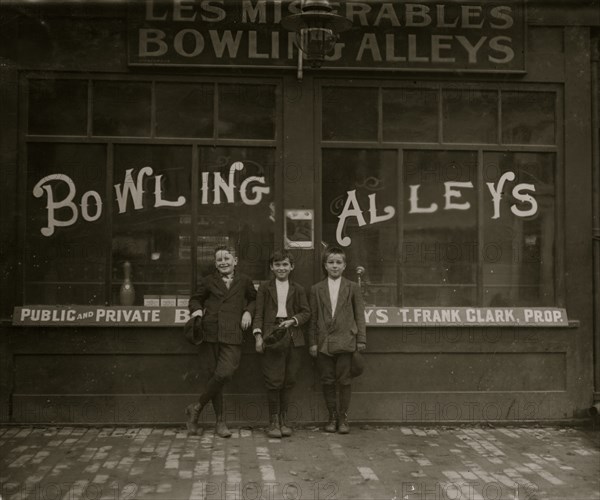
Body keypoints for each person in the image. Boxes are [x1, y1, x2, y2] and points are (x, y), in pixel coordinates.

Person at [186, 245, 257, 437]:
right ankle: (220, 422)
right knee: (214, 376)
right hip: (210, 332)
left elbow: (254, 299)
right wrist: (197, 310)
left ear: (235, 261)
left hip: (233, 333)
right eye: (219, 260)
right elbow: (195, 299)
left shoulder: (244, 281)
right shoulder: (209, 281)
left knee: (224, 373)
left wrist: (248, 312)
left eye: (227, 258)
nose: (223, 262)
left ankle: (196, 407)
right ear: (215, 264)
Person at [308, 246, 366, 434]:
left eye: (338, 263)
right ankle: (332, 416)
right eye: (331, 262)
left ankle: (343, 418)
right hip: (324, 342)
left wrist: (361, 340)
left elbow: (360, 316)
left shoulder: (352, 287)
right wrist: (313, 342)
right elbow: (313, 318)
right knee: (327, 380)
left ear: (344, 265)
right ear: (325, 265)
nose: (334, 266)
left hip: (346, 341)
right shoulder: (316, 289)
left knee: (345, 380)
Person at [253, 250, 310, 438]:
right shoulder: (264, 288)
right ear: (271, 267)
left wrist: (293, 320)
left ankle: (284, 421)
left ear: (291, 267)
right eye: (277, 265)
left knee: (289, 379)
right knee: (273, 380)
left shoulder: (299, 288)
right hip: (272, 335)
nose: (281, 268)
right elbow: (259, 314)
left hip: (293, 336)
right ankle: (273, 422)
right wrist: (258, 337)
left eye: (285, 264)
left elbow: (306, 312)